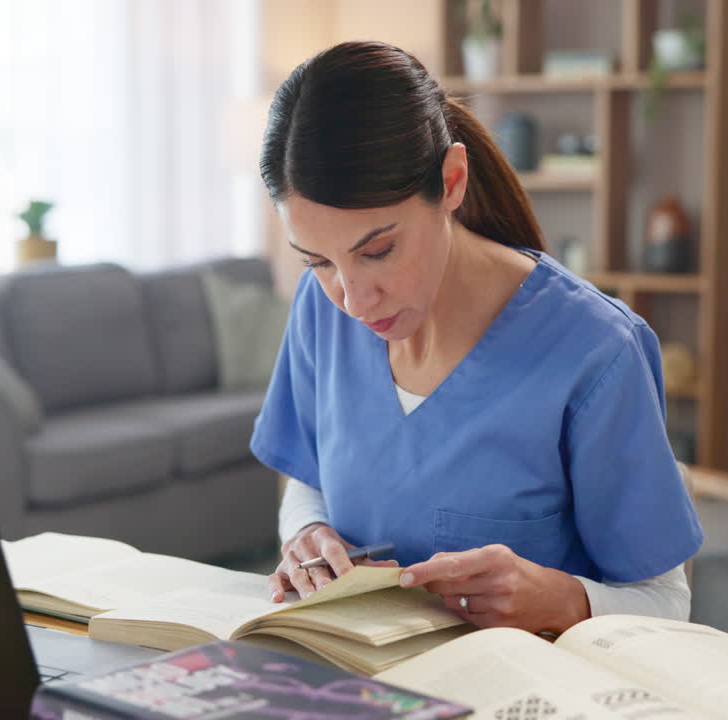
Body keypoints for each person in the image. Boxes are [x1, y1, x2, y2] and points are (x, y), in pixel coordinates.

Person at [250, 41, 702, 637]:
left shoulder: (595, 351)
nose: (353, 300)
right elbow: (308, 474)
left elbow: (667, 601)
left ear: (453, 181)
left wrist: (564, 600)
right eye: (319, 261)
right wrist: (307, 532)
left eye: (378, 250)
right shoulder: (320, 309)